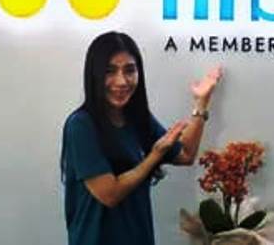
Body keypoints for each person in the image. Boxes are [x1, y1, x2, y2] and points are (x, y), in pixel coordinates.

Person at [60, 31, 222, 245]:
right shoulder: (81, 125)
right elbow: (109, 194)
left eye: (130, 70)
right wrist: (154, 156)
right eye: (110, 71)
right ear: (94, 75)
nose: (122, 81)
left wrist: (201, 102)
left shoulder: (137, 119)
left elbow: (185, 154)